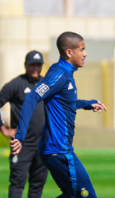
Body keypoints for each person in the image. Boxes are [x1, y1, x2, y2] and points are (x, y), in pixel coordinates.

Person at [10, 31, 107, 198]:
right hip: (59, 149)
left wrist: (87, 104)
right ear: (69, 52)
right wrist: (20, 136)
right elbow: (32, 97)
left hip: (56, 149)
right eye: (82, 49)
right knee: (86, 196)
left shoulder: (62, 71)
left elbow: (64, 103)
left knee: (71, 194)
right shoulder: (59, 74)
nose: (86, 54)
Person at [0, 50, 48, 198]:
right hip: (21, 144)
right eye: (32, 64)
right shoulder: (16, 84)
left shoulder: (46, 84)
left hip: (43, 144)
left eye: (38, 65)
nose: (35, 68)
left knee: (37, 183)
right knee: (17, 182)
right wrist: (3, 128)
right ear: (25, 65)